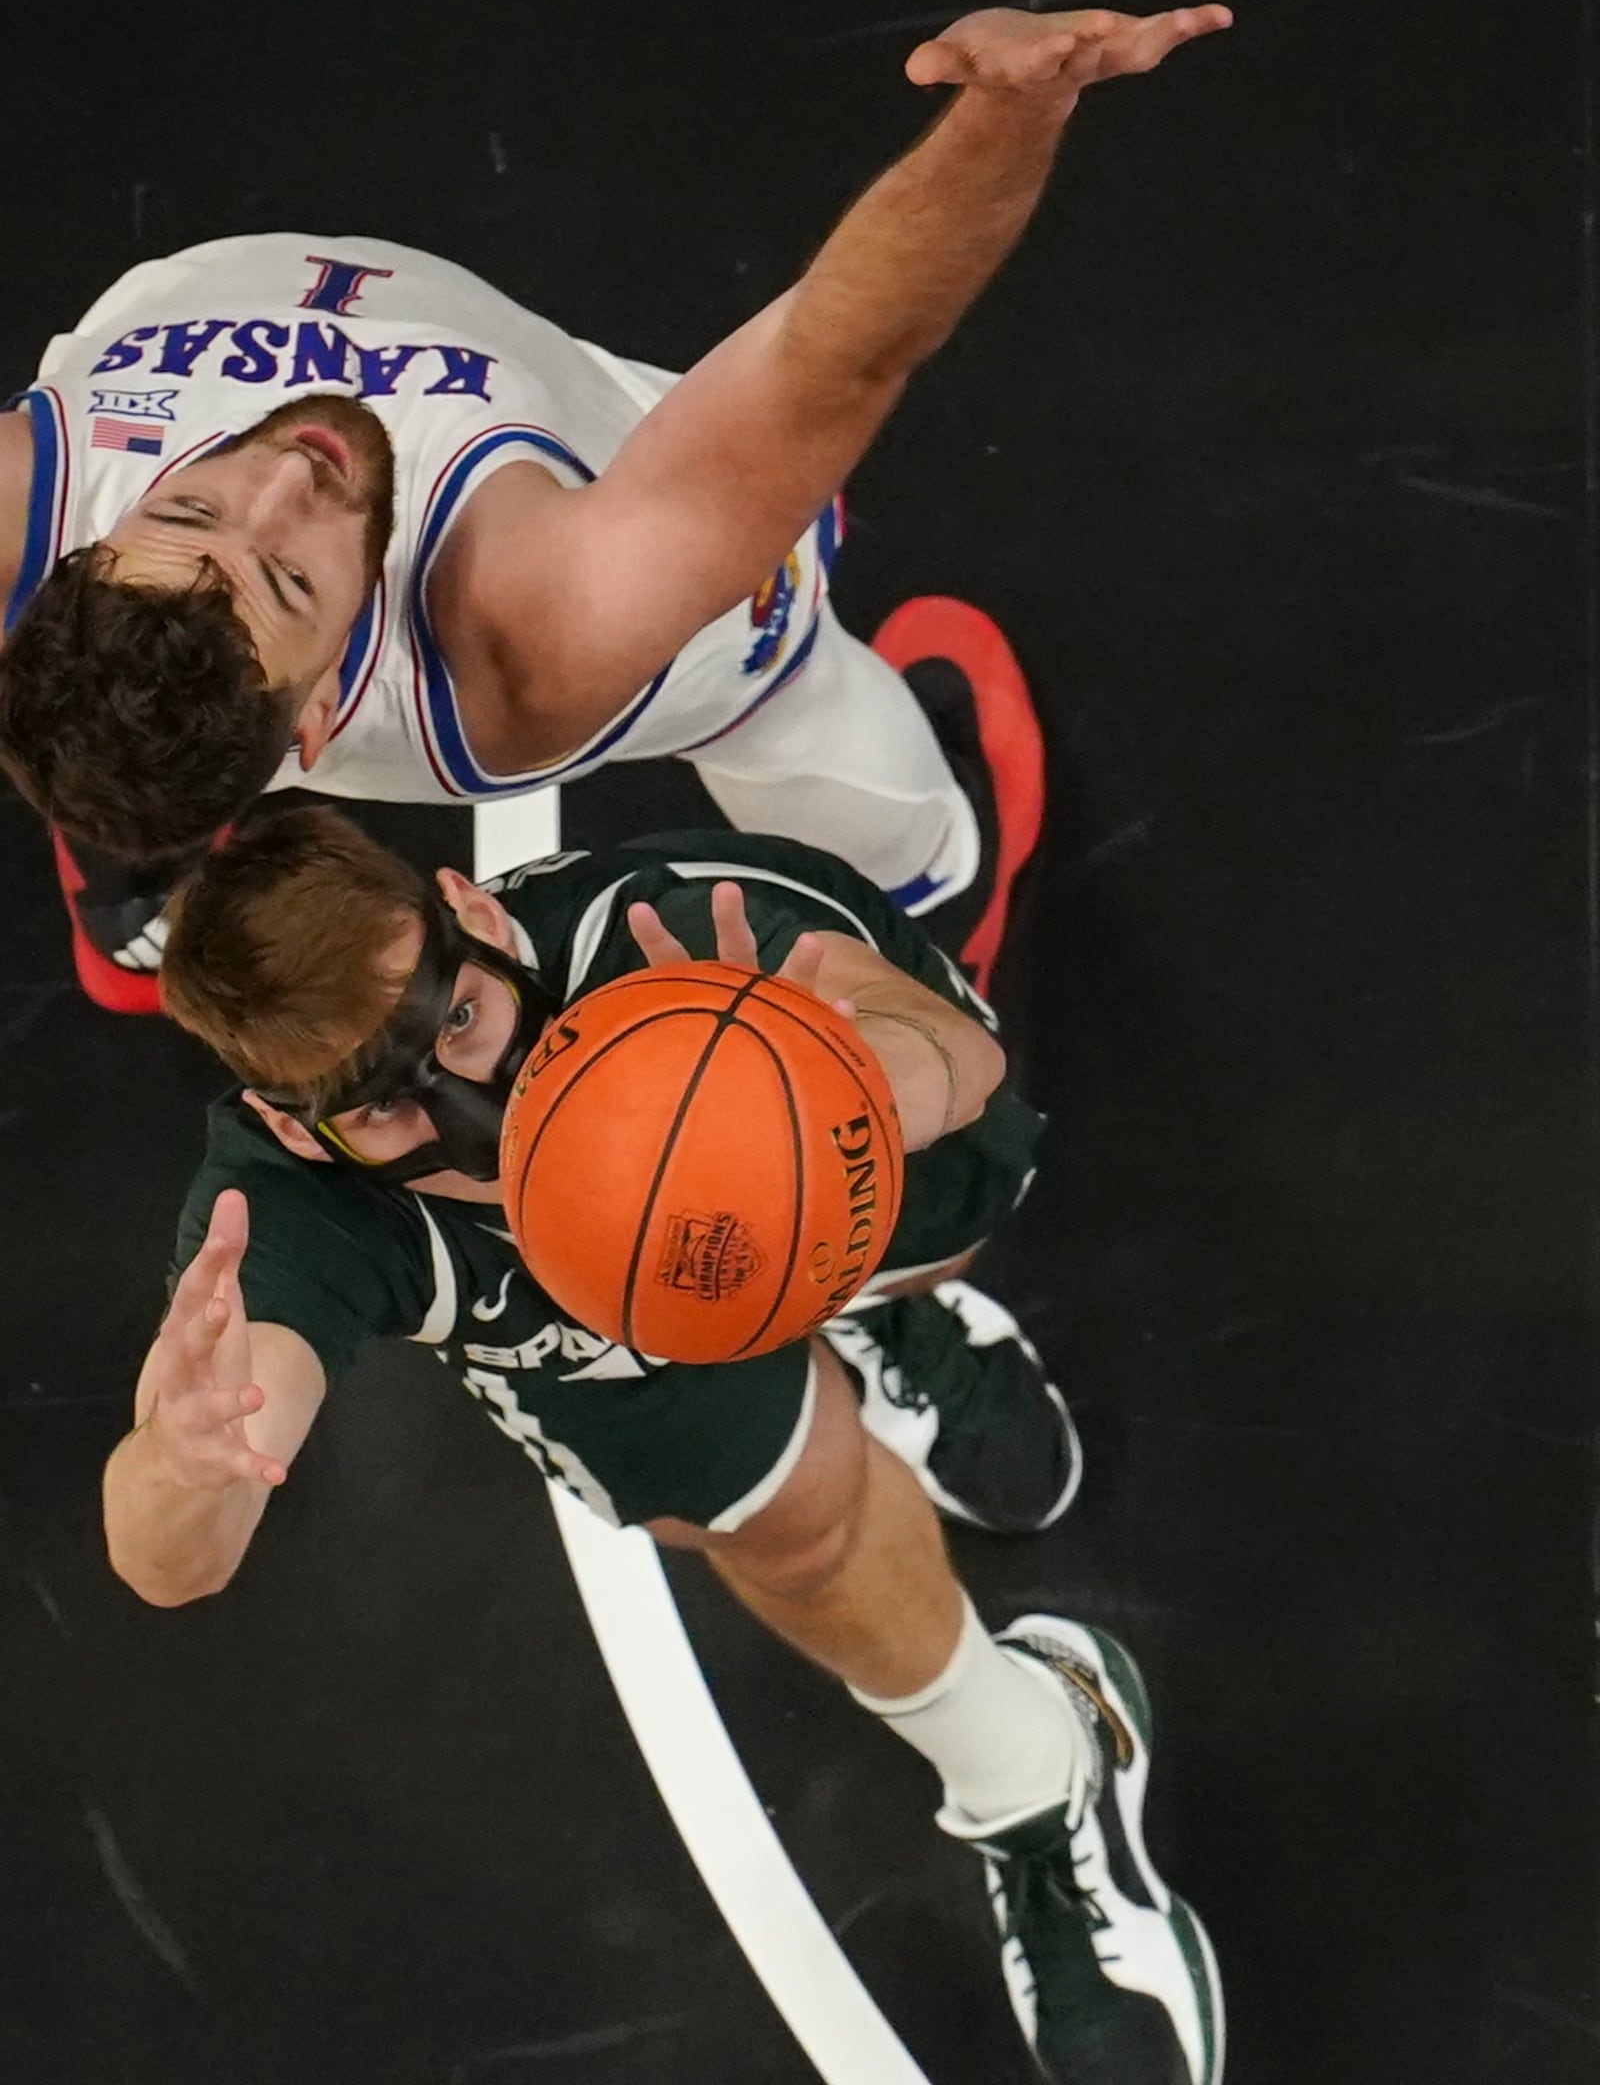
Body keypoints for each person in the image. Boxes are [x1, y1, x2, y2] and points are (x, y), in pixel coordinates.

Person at [103, 804, 1225, 2085]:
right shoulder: (286, 1215)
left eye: (458, 1020)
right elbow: (168, 1560)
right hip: (615, 1347)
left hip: (797, 1162)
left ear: (473, 917)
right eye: (386, 1110)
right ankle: (1037, 1766)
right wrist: (185, 1465)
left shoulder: (662, 935)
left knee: (935, 1223)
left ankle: (866, 1313)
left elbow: (954, 1057)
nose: (478, 1116)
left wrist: (868, 1084)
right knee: (795, 1534)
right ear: (300, 1128)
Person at [0, 1, 1229, 1012]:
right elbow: (831, 360)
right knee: (851, 785)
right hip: (647, 548)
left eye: (186, 519)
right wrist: (1010, 113)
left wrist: (221, 624)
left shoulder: (38, 541)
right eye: (290, 576)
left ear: (74, 565)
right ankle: (942, 916)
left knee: (124, 730)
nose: (283, 472)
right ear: (319, 709)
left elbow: (169, 641)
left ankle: (132, 844)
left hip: (151, 666)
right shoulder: (529, 626)